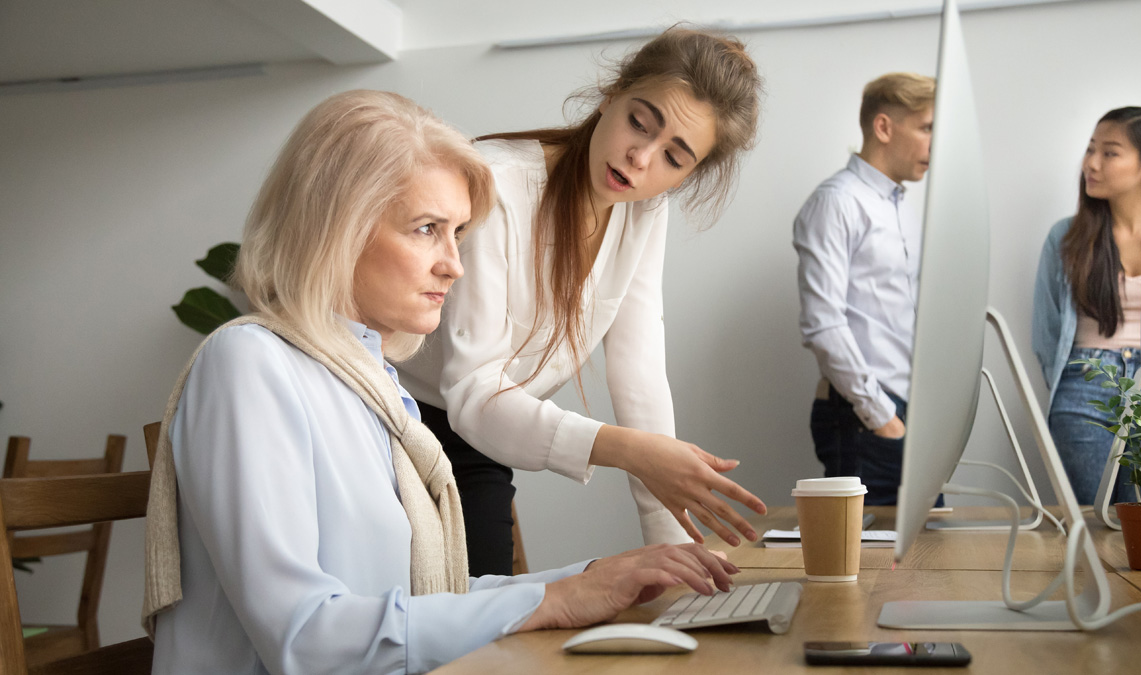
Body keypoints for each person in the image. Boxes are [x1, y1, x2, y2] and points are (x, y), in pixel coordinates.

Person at [142, 90, 739, 675]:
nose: (454, 263)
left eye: (457, 233)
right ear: (338, 225)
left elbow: (427, 593)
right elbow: (305, 639)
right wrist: (552, 601)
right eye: (427, 228)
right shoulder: (247, 364)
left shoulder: (370, 381)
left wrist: (596, 578)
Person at [396, 27, 767, 576]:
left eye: (674, 157)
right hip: (400, 418)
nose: (641, 158)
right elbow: (473, 388)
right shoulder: (497, 184)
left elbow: (638, 374)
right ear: (613, 94)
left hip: (483, 435)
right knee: (451, 627)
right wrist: (627, 449)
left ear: (689, 175)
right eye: (640, 123)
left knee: (489, 614)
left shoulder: (644, 211)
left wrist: (676, 545)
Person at [1033, 106, 1141, 505]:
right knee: (1094, 522)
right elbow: (1046, 332)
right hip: (1085, 385)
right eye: (1091, 150)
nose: (1091, 163)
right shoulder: (1066, 236)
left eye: (1110, 152)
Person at [791, 72, 936, 506]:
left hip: (904, 408)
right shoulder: (836, 202)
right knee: (872, 569)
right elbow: (823, 325)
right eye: (927, 128)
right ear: (884, 127)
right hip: (866, 413)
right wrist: (881, 417)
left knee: (927, 559)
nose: (935, 144)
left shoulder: (901, 208)